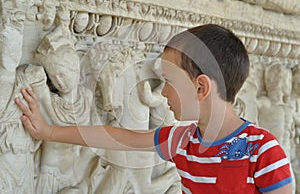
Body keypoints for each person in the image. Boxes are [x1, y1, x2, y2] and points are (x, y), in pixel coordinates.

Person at [15, 24, 292, 194]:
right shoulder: (182, 141)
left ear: (200, 88)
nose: (165, 92)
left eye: (170, 82)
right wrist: (49, 130)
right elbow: (116, 137)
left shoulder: (262, 150)